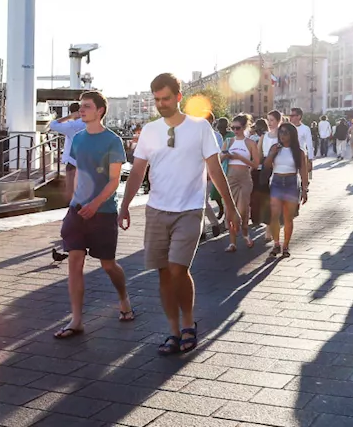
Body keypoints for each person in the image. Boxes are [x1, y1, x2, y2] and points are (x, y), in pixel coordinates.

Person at [120, 73, 238, 356]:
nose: (161, 104)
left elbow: (214, 169)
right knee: (163, 272)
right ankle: (172, 330)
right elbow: (138, 170)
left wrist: (230, 206)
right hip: (157, 210)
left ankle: (188, 323)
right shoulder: (150, 131)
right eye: (157, 99)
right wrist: (124, 204)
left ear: (178, 97)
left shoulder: (199, 128)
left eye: (166, 98)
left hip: (189, 209)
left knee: (177, 268)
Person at [54, 92, 133, 339]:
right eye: (80, 107)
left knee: (108, 265)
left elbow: (114, 180)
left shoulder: (113, 141)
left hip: (104, 212)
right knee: (74, 262)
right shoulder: (77, 139)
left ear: (100, 111)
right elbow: (77, 172)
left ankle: (124, 299)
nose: (82, 110)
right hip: (78, 211)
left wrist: (96, 204)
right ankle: (76, 320)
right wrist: (75, 202)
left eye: (86, 107)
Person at [265, 122, 308, 258]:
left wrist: (305, 189)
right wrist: (272, 154)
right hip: (277, 182)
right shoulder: (275, 148)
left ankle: (286, 246)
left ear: (292, 135)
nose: (282, 135)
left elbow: (303, 171)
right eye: (281, 132)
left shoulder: (298, 152)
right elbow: (266, 165)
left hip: (291, 183)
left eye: (285, 133)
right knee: (274, 215)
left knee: (288, 217)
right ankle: (276, 244)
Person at [221, 114, 260, 252]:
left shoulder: (250, 143)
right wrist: (225, 155)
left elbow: (255, 164)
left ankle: (245, 233)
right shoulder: (229, 141)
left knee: (242, 210)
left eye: (237, 128)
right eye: (232, 128)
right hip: (230, 178)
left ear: (244, 127)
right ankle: (232, 243)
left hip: (244, 178)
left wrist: (238, 157)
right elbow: (219, 160)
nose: (235, 130)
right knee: (230, 211)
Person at [49, 103, 87, 201]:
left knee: (71, 191)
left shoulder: (72, 125)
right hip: (87, 160)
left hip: (73, 161)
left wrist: (69, 117)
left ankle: (72, 209)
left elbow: (53, 125)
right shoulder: (88, 123)